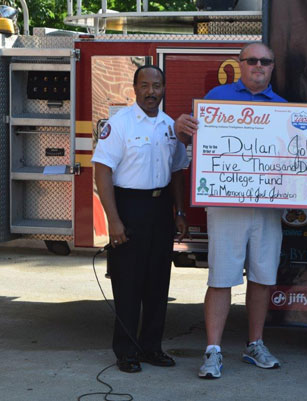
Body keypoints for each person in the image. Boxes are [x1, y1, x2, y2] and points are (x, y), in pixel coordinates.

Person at [174, 42, 286, 379]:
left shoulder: (283, 108)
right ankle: (213, 350)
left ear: (272, 67)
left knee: (263, 278)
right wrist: (180, 131)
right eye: (252, 60)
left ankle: (255, 344)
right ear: (240, 64)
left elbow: (295, 162)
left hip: (267, 207)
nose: (258, 66)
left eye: (265, 61)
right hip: (225, 204)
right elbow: (190, 149)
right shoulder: (215, 99)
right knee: (221, 277)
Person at [92, 65, 189, 373]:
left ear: (164, 89)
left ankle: (151, 347)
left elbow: (176, 172)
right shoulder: (119, 124)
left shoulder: (169, 126)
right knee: (128, 284)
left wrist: (180, 211)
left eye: (157, 85)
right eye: (145, 85)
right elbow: (102, 171)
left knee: (158, 284)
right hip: (129, 206)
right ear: (134, 89)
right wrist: (114, 221)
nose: (151, 91)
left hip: (161, 209)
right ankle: (126, 351)